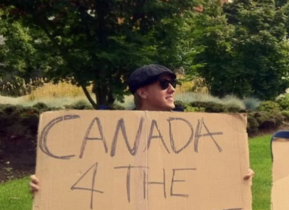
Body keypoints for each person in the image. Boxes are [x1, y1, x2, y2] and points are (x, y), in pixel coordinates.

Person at [30, 64, 253, 194]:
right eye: (163, 84)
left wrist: (236, 176)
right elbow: (91, 175)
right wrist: (49, 186)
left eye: (172, 84)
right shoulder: (118, 134)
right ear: (143, 93)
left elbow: (207, 169)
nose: (172, 89)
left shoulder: (190, 130)